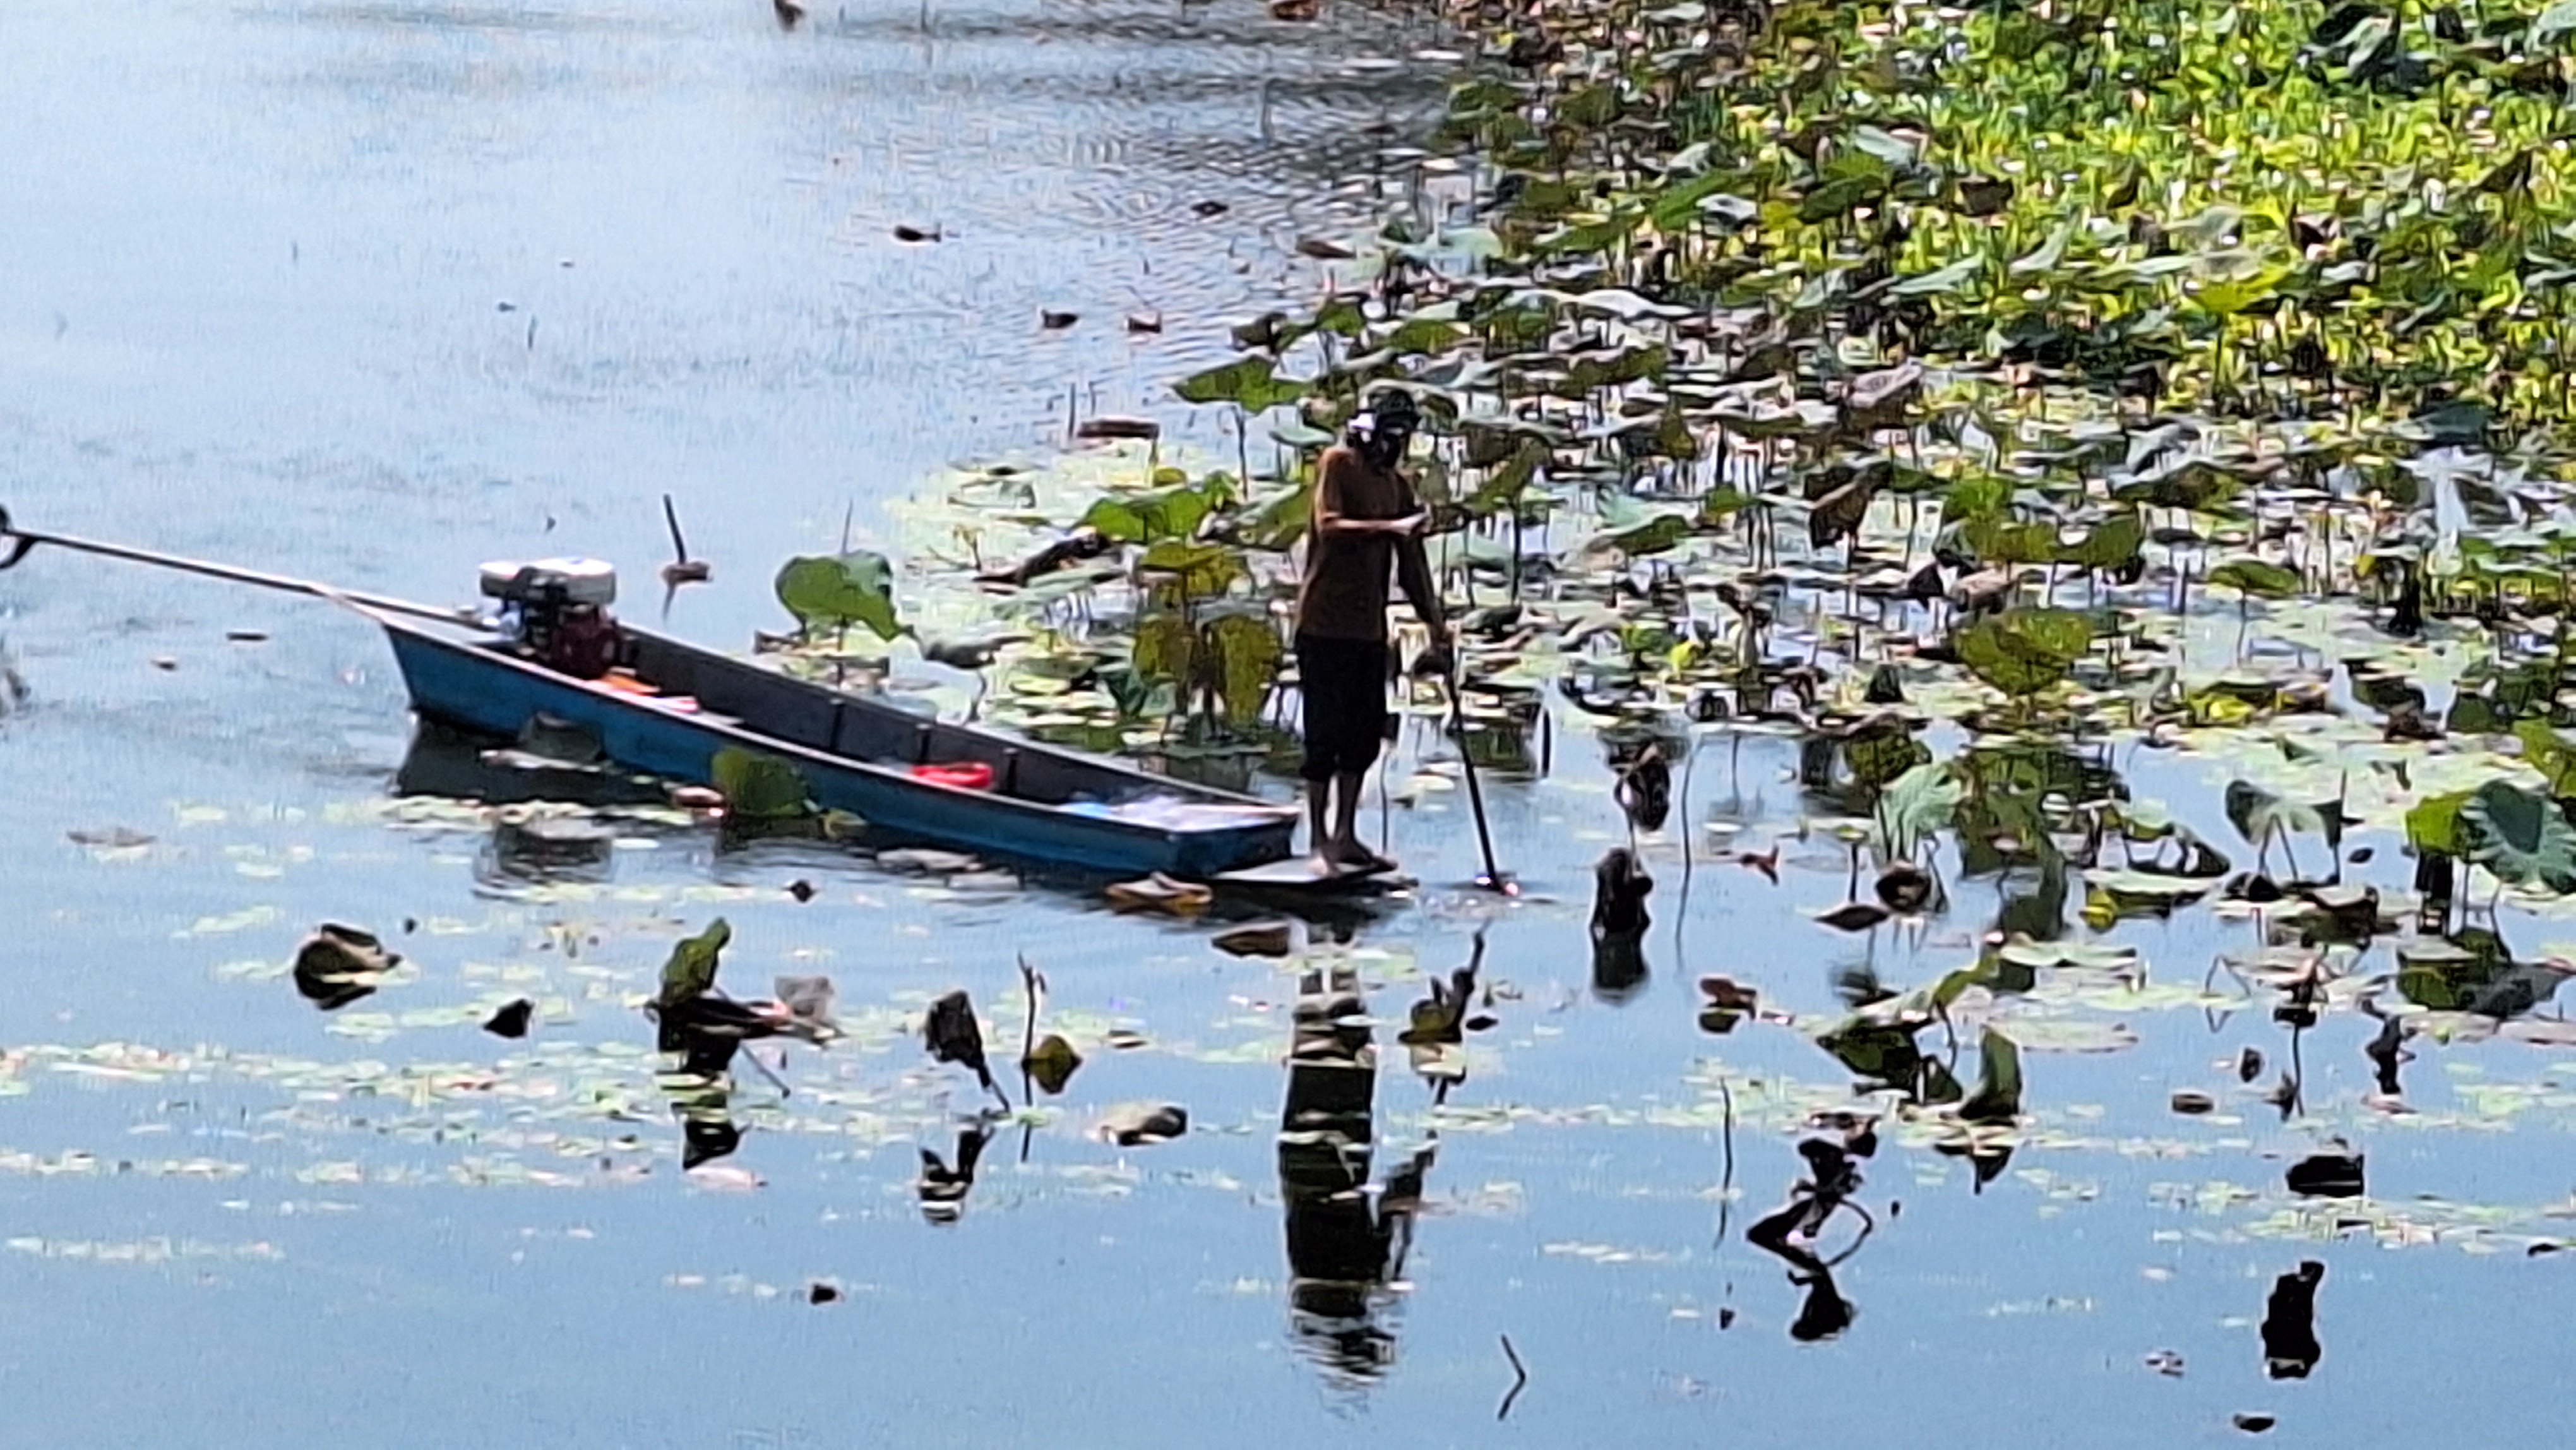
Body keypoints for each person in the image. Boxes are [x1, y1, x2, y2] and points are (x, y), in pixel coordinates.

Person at [1292, 388, 1451, 872]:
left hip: (1367, 630)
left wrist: (1435, 626)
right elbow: (1332, 526)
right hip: (1323, 624)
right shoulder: (1337, 464)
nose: (1395, 446)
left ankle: (1345, 835)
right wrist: (1391, 529)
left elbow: (1412, 567)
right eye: (1390, 435)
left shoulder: (1396, 486)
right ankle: (1319, 838)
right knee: (1324, 733)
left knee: (1362, 735)